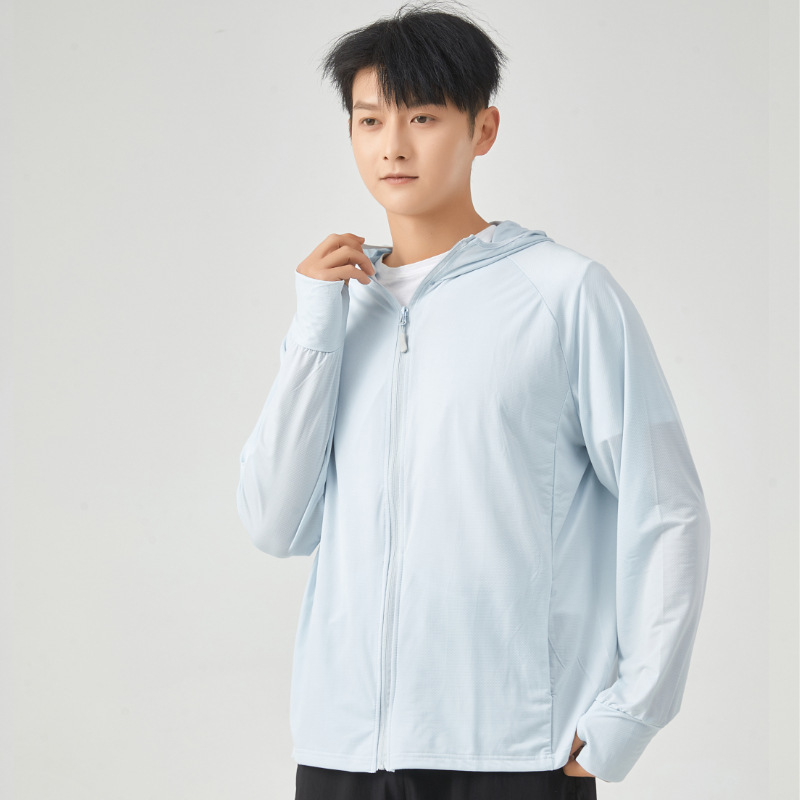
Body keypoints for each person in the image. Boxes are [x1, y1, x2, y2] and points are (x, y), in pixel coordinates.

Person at [236, 2, 711, 798]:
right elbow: (275, 523)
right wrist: (315, 326)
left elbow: (666, 508)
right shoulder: (336, 314)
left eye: (422, 117)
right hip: (341, 749)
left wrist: (632, 713)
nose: (392, 145)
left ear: (482, 129)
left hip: (513, 750)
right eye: (370, 120)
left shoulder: (565, 294)